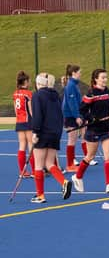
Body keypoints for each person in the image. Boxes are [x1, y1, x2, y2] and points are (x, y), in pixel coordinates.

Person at [71, 68, 109, 193]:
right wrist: (91, 118)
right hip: (93, 129)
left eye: (106, 77)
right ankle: (77, 177)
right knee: (90, 156)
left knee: (108, 157)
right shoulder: (91, 93)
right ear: (96, 79)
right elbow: (82, 110)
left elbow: (105, 104)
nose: (105, 80)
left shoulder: (107, 91)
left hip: (106, 128)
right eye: (103, 77)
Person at [30, 73, 72, 203]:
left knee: (38, 165)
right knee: (49, 163)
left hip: (42, 132)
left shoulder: (37, 96)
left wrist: (35, 132)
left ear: (39, 84)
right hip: (55, 133)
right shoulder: (56, 96)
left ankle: (40, 195)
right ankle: (64, 182)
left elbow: (37, 116)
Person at [62, 64, 96, 172]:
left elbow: (77, 101)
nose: (81, 74)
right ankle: (70, 164)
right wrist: (77, 116)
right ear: (73, 73)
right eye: (79, 72)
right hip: (70, 116)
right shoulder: (71, 85)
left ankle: (73, 162)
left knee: (76, 138)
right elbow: (72, 103)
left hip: (74, 114)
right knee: (72, 139)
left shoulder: (74, 84)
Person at [13, 71, 35, 176]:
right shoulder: (28, 94)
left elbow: (15, 110)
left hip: (19, 121)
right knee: (31, 145)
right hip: (28, 121)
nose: (30, 82)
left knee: (22, 145)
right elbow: (31, 110)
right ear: (25, 81)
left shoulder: (15, 93)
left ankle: (22, 171)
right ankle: (35, 170)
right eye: (29, 80)